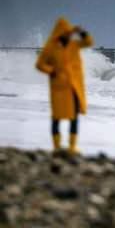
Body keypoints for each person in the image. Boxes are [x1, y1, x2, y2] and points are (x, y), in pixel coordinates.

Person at [36, 17, 93, 155]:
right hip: (58, 88)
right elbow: (40, 64)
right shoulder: (50, 48)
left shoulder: (73, 45)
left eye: (69, 33)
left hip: (73, 86)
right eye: (66, 33)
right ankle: (56, 147)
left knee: (74, 117)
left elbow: (88, 42)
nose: (68, 35)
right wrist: (51, 71)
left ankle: (72, 147)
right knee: (56, 117)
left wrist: (82, 32)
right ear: (59, 33)